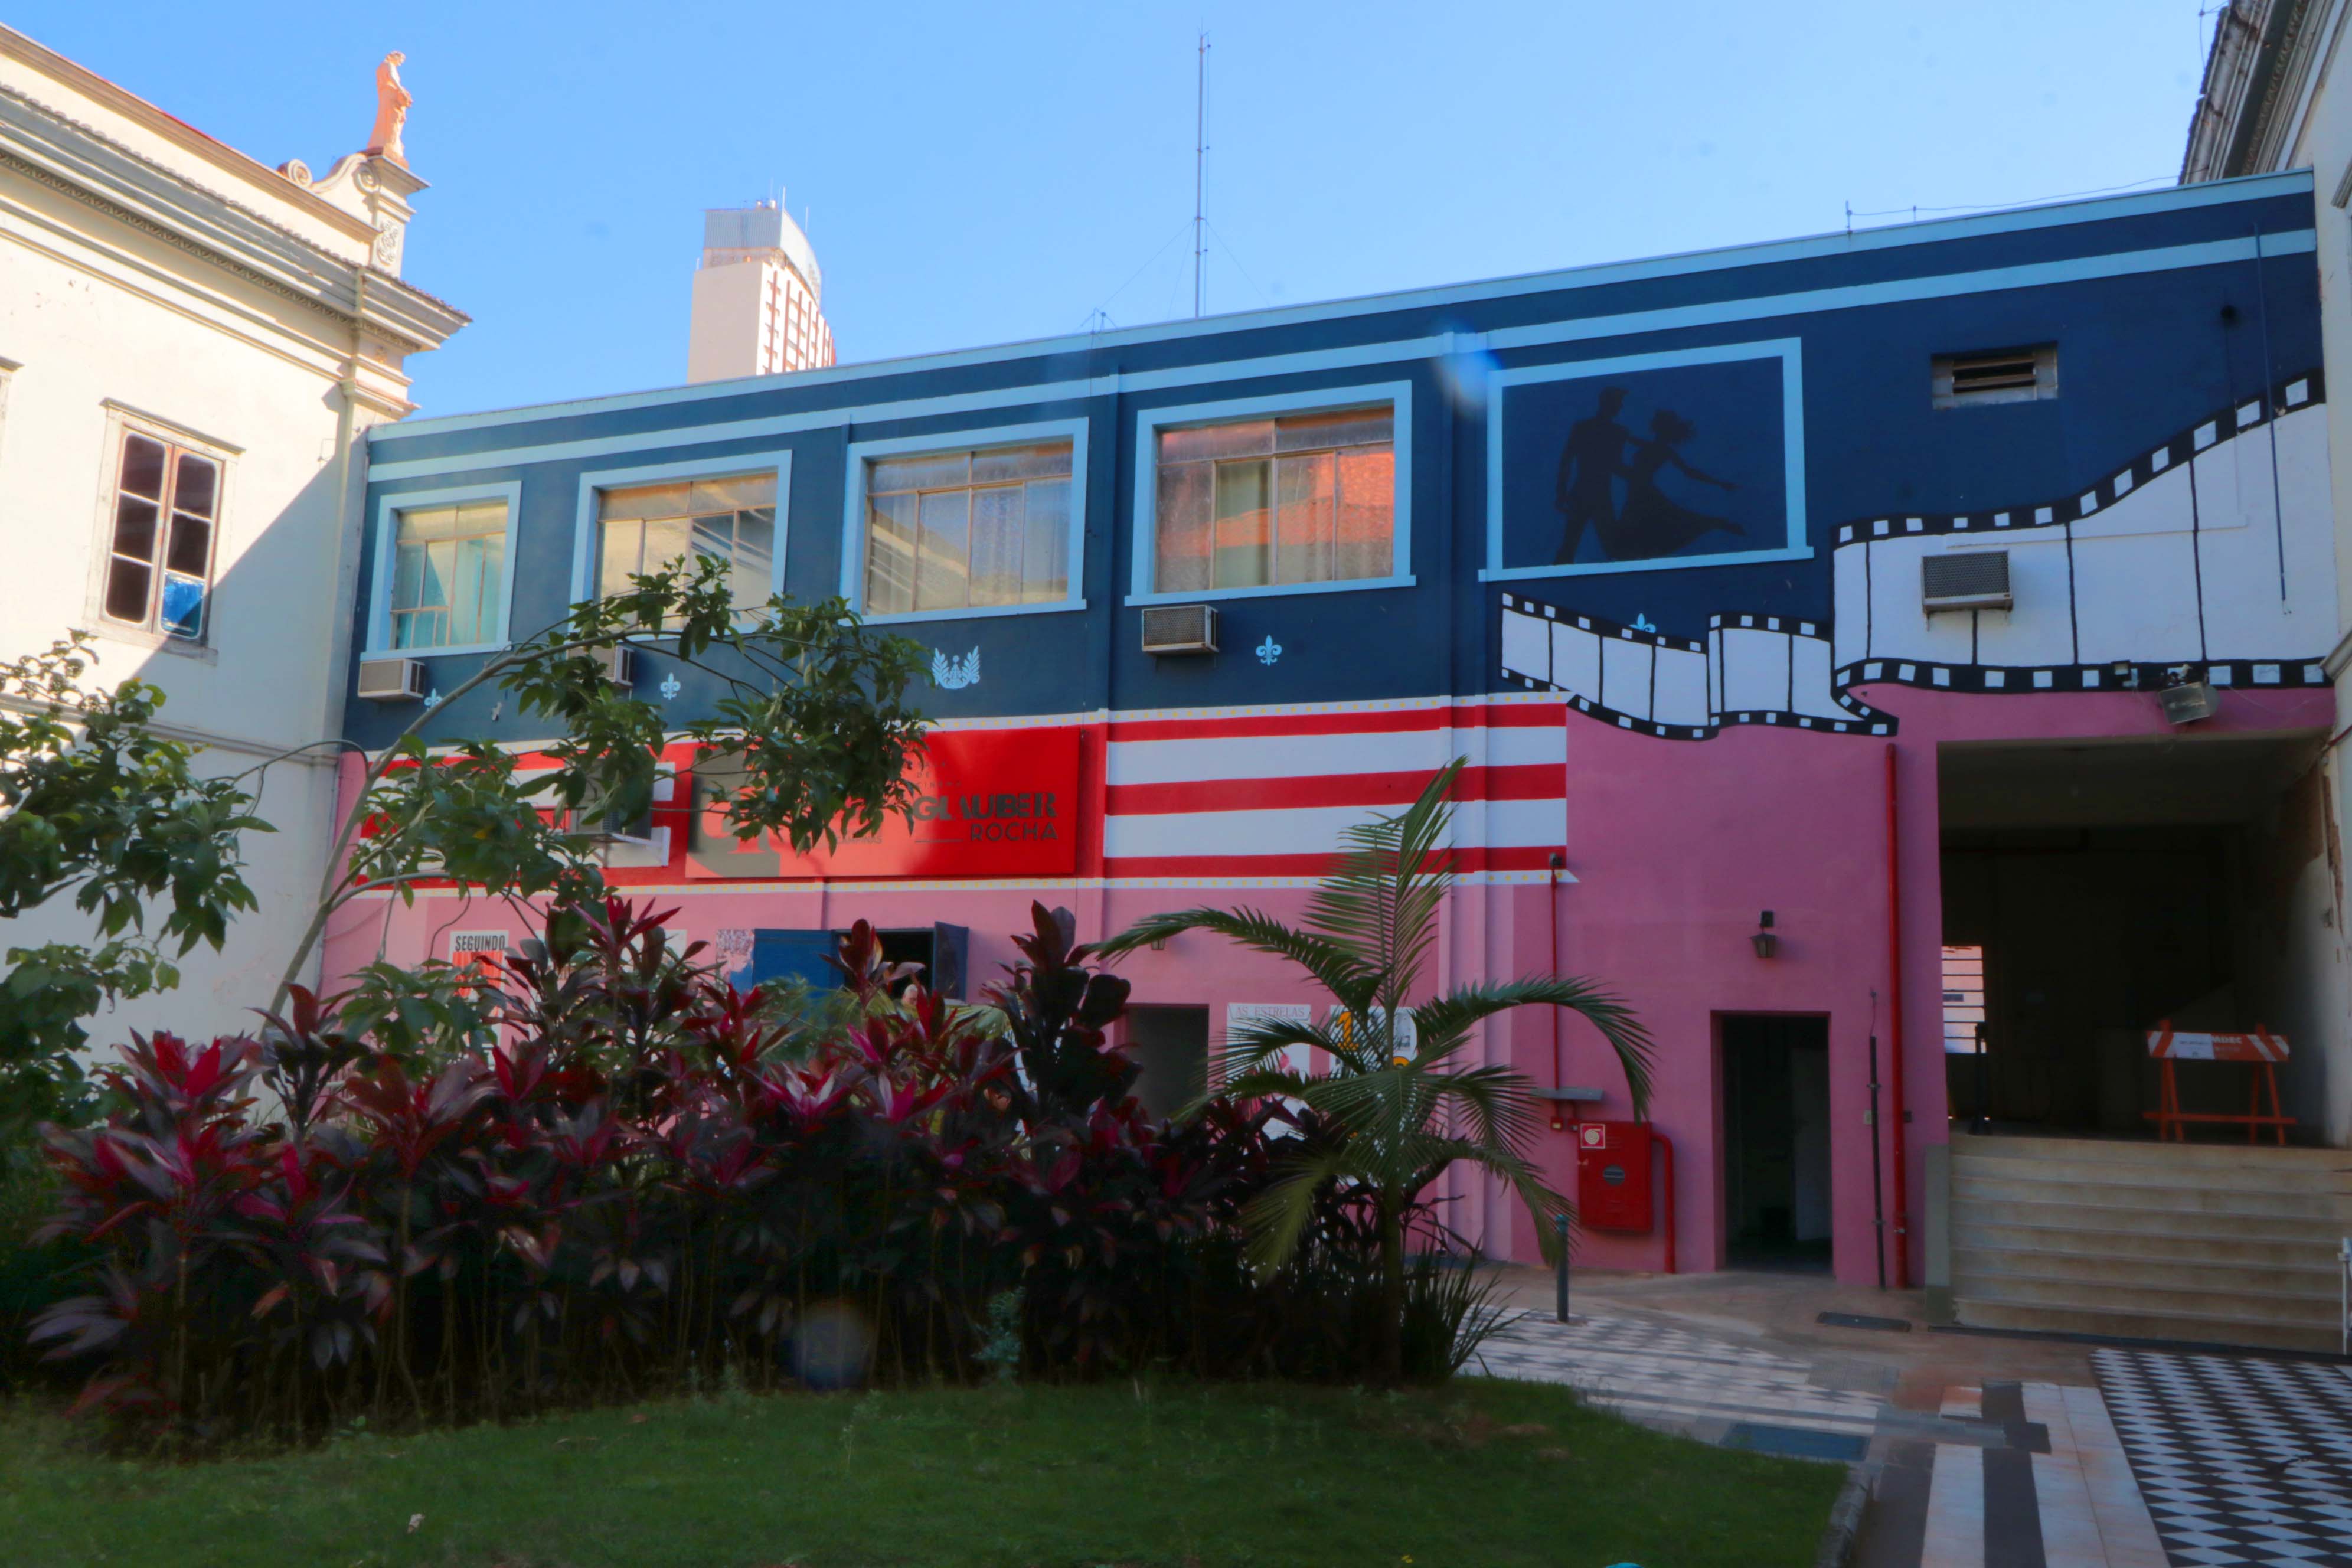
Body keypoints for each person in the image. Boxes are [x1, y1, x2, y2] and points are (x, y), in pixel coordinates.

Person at [1599, 408, 1743, 560]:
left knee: (1646, 528)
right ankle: (1719, 524)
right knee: (1651, 528)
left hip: (1642, 491)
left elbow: (1689, 472)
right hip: (1640, 490)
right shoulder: (1652, 447)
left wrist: (1719, 483)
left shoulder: (1661, 450)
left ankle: (1719, 524)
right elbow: (1628, 441)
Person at [1551, 387, 1634, 563]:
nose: (1620, 407)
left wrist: (1561, 492)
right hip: (1592, 495)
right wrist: (1561, 492)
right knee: (1575, 546)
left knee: (1576, 546)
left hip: (1589, 494)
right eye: (1618, 403)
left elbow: (1614, 465)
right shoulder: (1608, 431)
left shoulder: (1613, 431)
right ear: (1608, 403)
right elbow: (1568, 460)